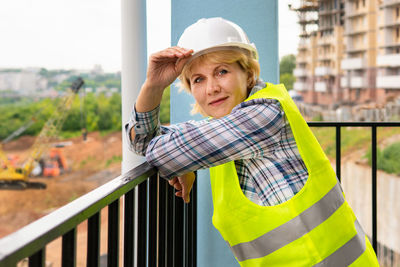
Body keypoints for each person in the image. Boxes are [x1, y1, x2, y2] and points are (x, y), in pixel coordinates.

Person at [125, 17, 379, 266]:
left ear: (247, 73)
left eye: (221, 71)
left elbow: (160, 152)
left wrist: (182, 160)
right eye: (198, 79)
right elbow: (142, 142)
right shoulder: (223, 129)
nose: (211, 88)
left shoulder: (264, 116)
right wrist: (153, 86)